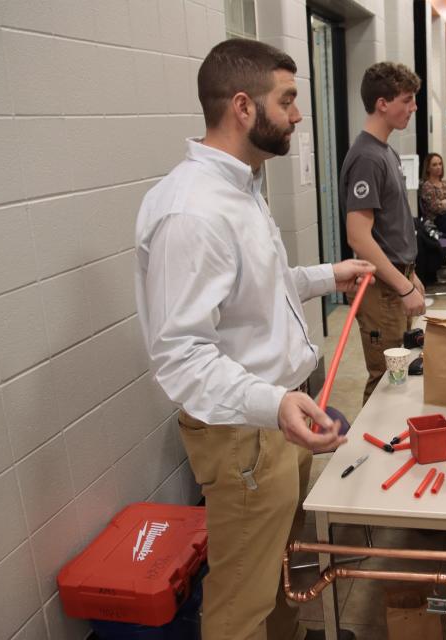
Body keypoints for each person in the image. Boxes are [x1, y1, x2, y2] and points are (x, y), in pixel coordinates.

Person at [135, 39, 372, 640]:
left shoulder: (242, 187)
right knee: (242, 601)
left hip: (277, 417)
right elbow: (181, 355)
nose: (297, 115)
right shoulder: (193, 211)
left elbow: (253, 291)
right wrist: (274, 404)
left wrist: (325, 276)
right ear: (243, 107)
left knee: (283, 577)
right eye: (287, 100)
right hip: (247, 435)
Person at [342, 61, 424, 404]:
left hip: (397, 279)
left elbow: (392, 223)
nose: (413, 107)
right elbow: (359, 237)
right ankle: (371, 453)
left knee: (400, 374)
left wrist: (411, 273)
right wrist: (403, 286)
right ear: (382, 103)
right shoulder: (367, 158)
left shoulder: (386, 151)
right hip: (384, 291)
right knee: (385, 381)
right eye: (407, 99)